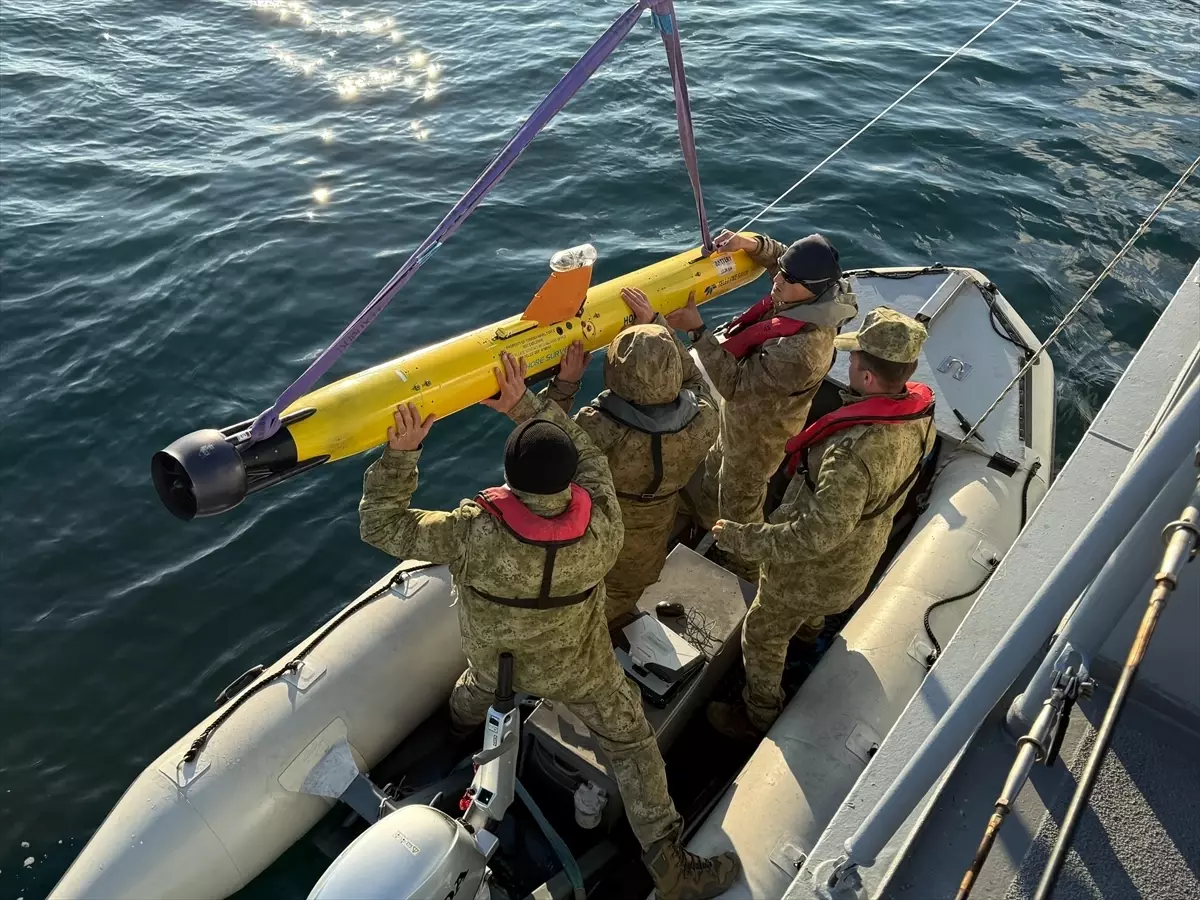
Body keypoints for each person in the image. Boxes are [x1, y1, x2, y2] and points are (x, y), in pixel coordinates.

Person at [359, 353, 740, 899]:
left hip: (496, 666)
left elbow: (381, 524)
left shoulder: (471, 533)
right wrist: (525, 405)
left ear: (509, 477)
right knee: (633, 745)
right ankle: (668, 860)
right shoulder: (604, 528)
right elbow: (590, 458)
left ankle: (452, 739)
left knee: (471, 695)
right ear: (567, 479)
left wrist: (402, 454)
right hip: (580, 672)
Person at [705, 307, 937, 740]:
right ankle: (807, 640)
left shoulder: (850, 453)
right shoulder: (920, 417)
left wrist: (744, 538)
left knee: (762, 634)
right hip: (857, 561)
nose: (847, 363)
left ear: (867, 376)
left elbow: (817, 535)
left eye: (854, 358)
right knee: (808, 616)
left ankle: (757, 716)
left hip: (813, 572)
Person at [665, 229, 858, 578]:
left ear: (812, 289)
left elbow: (735, 386)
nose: (778, 281)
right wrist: (750, 244)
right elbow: (782, 258)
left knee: (740, 506)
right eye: (781, 272)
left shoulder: (801, 350)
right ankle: (707, 525)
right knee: (714, 474)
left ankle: (744, 568)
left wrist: (697, 332)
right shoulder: (816, 293)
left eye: (789, 279)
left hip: (759, 439)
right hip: (735, 423)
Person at [545, 286, 720, 622]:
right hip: (655, 530)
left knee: (592, 597)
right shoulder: (704, 417)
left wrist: (566, 383)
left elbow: (545, 438)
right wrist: (656, 323)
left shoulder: (598, 428)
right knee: (628, 589)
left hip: (602, 530)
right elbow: (694, 377)